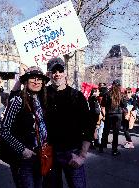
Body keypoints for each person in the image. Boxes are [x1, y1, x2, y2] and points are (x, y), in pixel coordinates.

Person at [43, 57, 93, 188]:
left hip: (72, 152)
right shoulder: (43, 95)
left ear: (65, 73)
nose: (57, 74)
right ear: (49, 74)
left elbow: (88, 125)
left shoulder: (76, 96)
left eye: (60, 70)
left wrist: (82, 155)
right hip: (49, 153)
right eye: (53, 71)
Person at [0, 66, 50, 188]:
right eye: (32, 78)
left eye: (39, 79)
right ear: (26, 81)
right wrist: (22, 149)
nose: (36, 82)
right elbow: (4, 130)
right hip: (23, 158)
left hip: (40, 155)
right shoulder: (17, 100)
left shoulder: (43, 100)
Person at [99, 79, 126, 156]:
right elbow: (124, 105)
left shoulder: (107, 94)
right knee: (115, 133)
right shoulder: (121, 94)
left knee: (106, 131)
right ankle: (114, 150)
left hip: (109, 114)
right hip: (118, 115)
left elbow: (103, 104)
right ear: (119, 85)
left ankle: (101, 147)